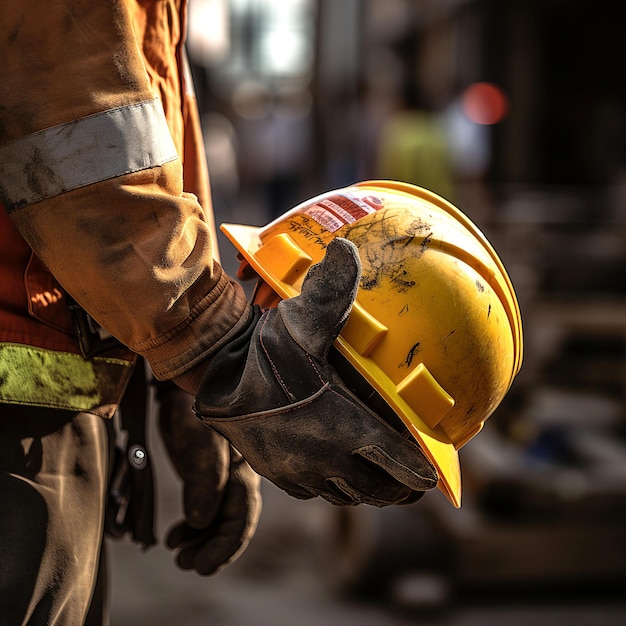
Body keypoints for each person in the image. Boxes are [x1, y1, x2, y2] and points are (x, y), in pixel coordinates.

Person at [0, 2, 438, 624]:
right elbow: (69, 117)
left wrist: (180, 369)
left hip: (46, 376)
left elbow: (145, 128)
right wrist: (209, 340)